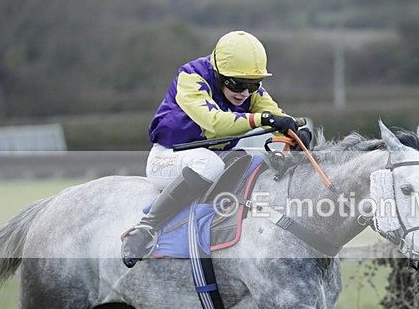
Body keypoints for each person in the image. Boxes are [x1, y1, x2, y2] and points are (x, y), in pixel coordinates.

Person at [121, 30, 310, 268]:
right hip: (167, 158)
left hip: (213, 157)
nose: (245, 93)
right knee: (209, 164)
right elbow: (215, 122)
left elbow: (274, 114)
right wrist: (262, 120)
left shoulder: (246, 91)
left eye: (253, 85)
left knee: (252, 160)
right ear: (219, 74)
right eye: (237, 84)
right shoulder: (191, 78)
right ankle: (145, 228)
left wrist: (294, 132)